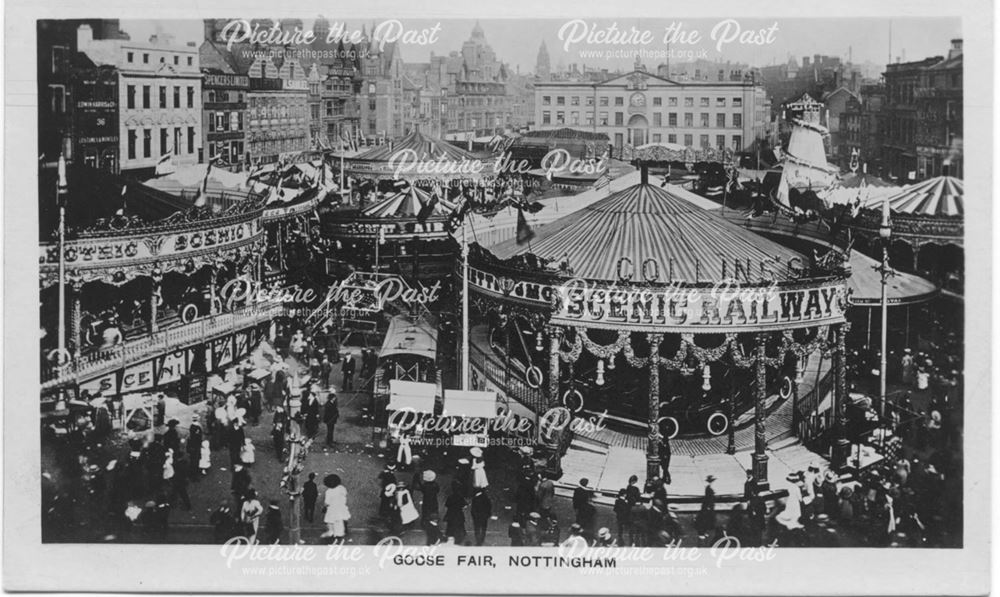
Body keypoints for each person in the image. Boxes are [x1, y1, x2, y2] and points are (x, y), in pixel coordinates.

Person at [322, 474, 351, 544]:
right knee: (342, 519)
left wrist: (324, 507)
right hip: (341, 507)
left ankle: (333, 534)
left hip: (333, 509)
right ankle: (342, 531)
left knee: (331, 522)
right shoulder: (342, 488)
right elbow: (344, 494)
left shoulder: (329, 492)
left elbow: (327, 502)